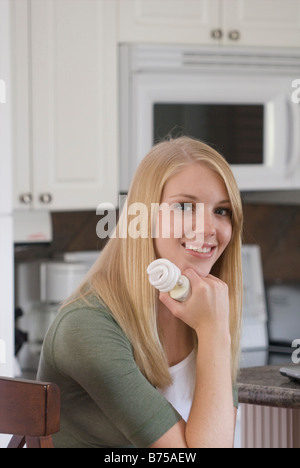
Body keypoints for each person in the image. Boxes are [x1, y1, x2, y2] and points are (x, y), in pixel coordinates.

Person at [37, 137, 243, 448]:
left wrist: (214, 331)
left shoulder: (207, 312)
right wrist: (215, 333)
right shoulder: (87, 326)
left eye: (222, 211)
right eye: (185, 206)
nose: (208, 228)